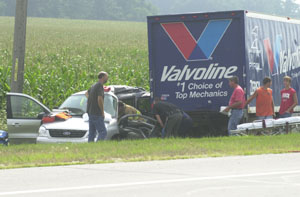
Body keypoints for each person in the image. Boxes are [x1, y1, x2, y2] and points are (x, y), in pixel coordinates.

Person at [86, 71, 108, 142]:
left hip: (90, 112)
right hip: (96, 113)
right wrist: (102, 112)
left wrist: (91, 100)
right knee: (103, 132)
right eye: (106, 77)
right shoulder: (99, 86)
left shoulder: (94, 85)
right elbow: (100, 99)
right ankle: (98, 146)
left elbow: (86, 93)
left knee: (92, 133)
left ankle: (90, 147)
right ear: (102, 77)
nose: (107, 78)